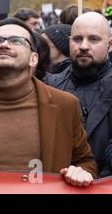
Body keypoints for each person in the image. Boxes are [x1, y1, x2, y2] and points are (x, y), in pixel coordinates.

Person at [0, 17, 97, 187]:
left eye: (16, 40)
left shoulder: (65, 105)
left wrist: (81, 172)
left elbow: (86, 163)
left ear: (33, 59)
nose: (4, 44)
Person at [47, 12, 112, 177]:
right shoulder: (49, 86)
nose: (83, 46)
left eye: (94, 39)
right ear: (69, 42)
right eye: (77, 39)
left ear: (109, 45)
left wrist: (90, 176)